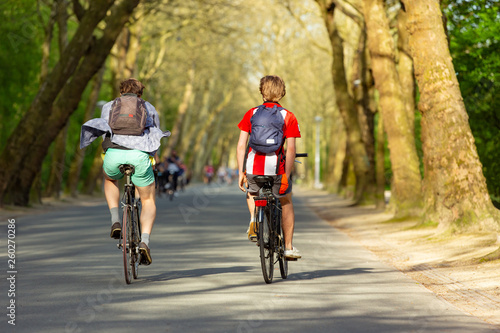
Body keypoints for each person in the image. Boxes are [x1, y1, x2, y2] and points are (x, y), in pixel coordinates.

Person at [80, 78, 170, 265]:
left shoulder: (109, 106)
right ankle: (144, 241)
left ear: (121, 92)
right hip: (139, 156)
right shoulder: (148, 107)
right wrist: (155, 159)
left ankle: (115, 220)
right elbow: (155, 135)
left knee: (110, 180)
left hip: (114, 154)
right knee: (148, 200)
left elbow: (104, 130)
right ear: (140, 94)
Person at [236, 75, 302, 259]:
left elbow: (241, 145)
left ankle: (254, 219)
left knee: (252, 192)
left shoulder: (251, 113)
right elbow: (290, 150)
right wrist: (286, 176)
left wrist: (241, 171)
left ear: (261, 91)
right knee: (286, 201)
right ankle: (288, 247)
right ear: (282, 94)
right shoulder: (288, 116)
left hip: (253, 167)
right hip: (276, 169)